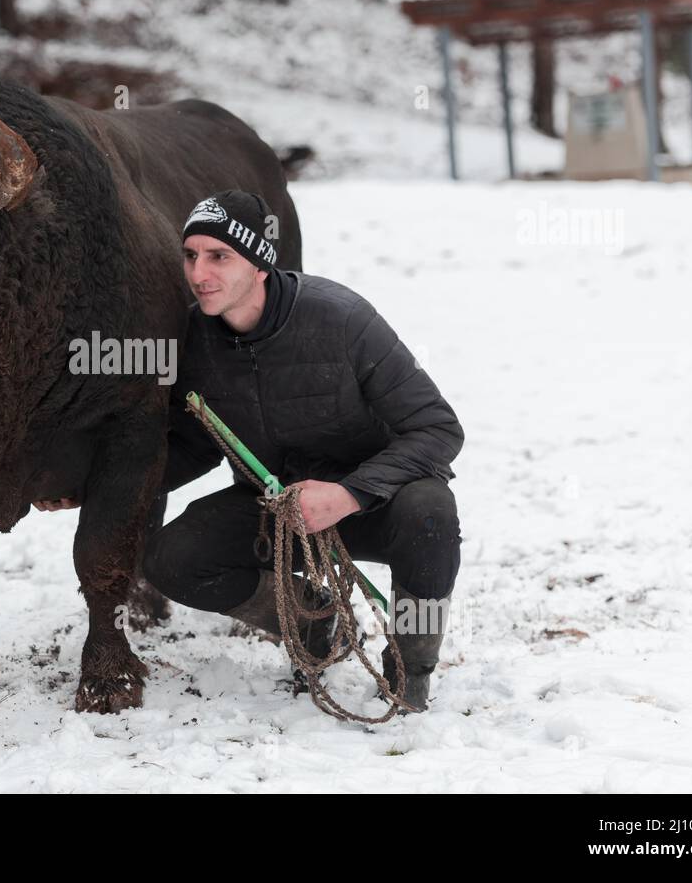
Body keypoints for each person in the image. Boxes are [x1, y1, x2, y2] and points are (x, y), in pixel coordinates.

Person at [36, 189, 464, 713]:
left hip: (371, 504)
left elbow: (438, 430)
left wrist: (349, 493)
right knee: (173, 559)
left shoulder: (342, 319)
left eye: (219, 257)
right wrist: (92, 484)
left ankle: (409, 665)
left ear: (260, 264)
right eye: (190, 256)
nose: (199, 274)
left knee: (431, 512)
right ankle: (310, 621)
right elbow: (193, 447)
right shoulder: (195, 340)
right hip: (274, 510)